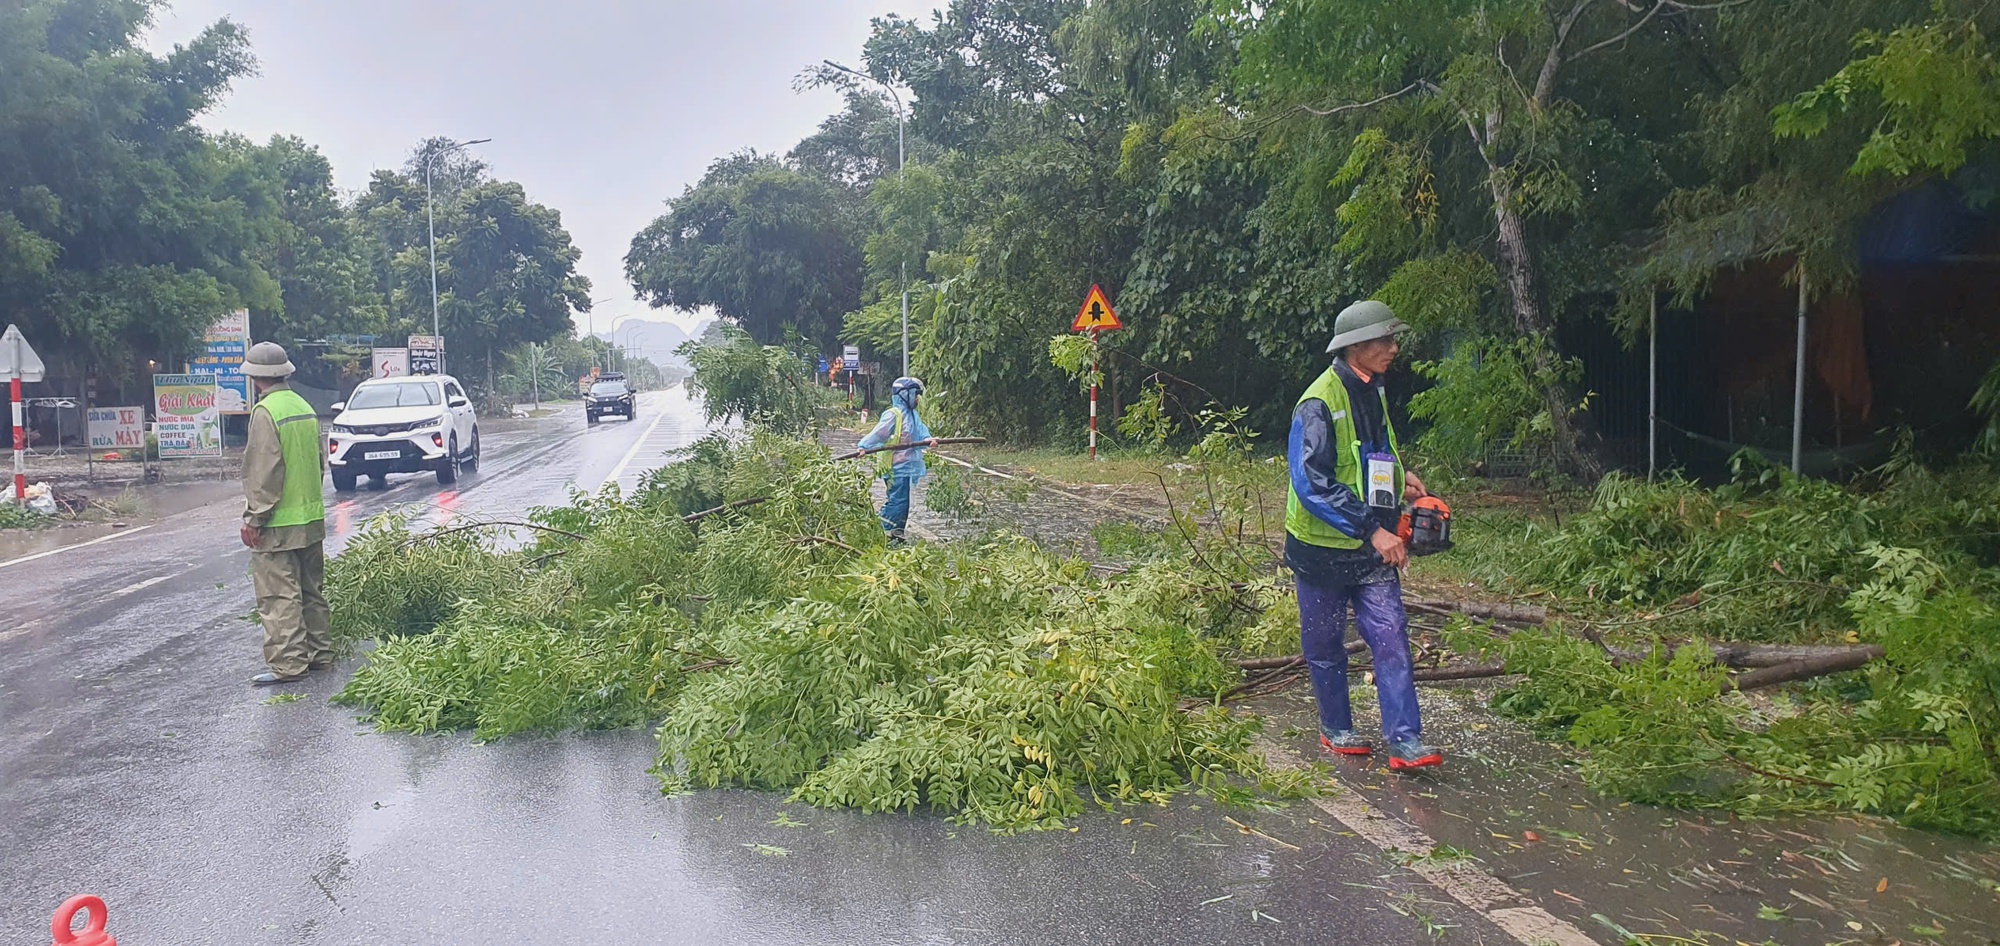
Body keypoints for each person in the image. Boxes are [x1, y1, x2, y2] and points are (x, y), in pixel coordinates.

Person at [1284, 300, 1442, 770]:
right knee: (1325, 644)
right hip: (1321, 551)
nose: (1395, 348)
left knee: (1391, 637)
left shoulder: (1374, 389)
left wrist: (1400, 481)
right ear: (1356, 347)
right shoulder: (1318, 402)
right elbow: (1311, 482)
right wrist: (1373, 529)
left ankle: (1405, 741)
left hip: (1372, 545)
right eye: (1385, 341)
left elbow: (1372, 455)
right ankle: (1336, 728)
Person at [239, 342, 331, 686]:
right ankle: (320, 654)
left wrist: (254, 517)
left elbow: (264, 471)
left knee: (279, 595)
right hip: (309, 517)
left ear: (256, 377)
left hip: (277, 521)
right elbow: (318, 464)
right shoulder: (303, 407)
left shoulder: (267, 412)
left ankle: (290, 665)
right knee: (311, 591)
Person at [857, 376, 938, 544]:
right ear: (904, 394)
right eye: (914, 394)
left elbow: (922, 431)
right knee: (898, 501)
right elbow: (879, 433)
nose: (916, 399)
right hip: (894, 465)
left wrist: (930, 439)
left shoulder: (913, 415)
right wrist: (864, 446)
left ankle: (896, 533)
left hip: (906, 466)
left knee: (903, 502)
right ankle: (885, 530)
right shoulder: (893, 415)